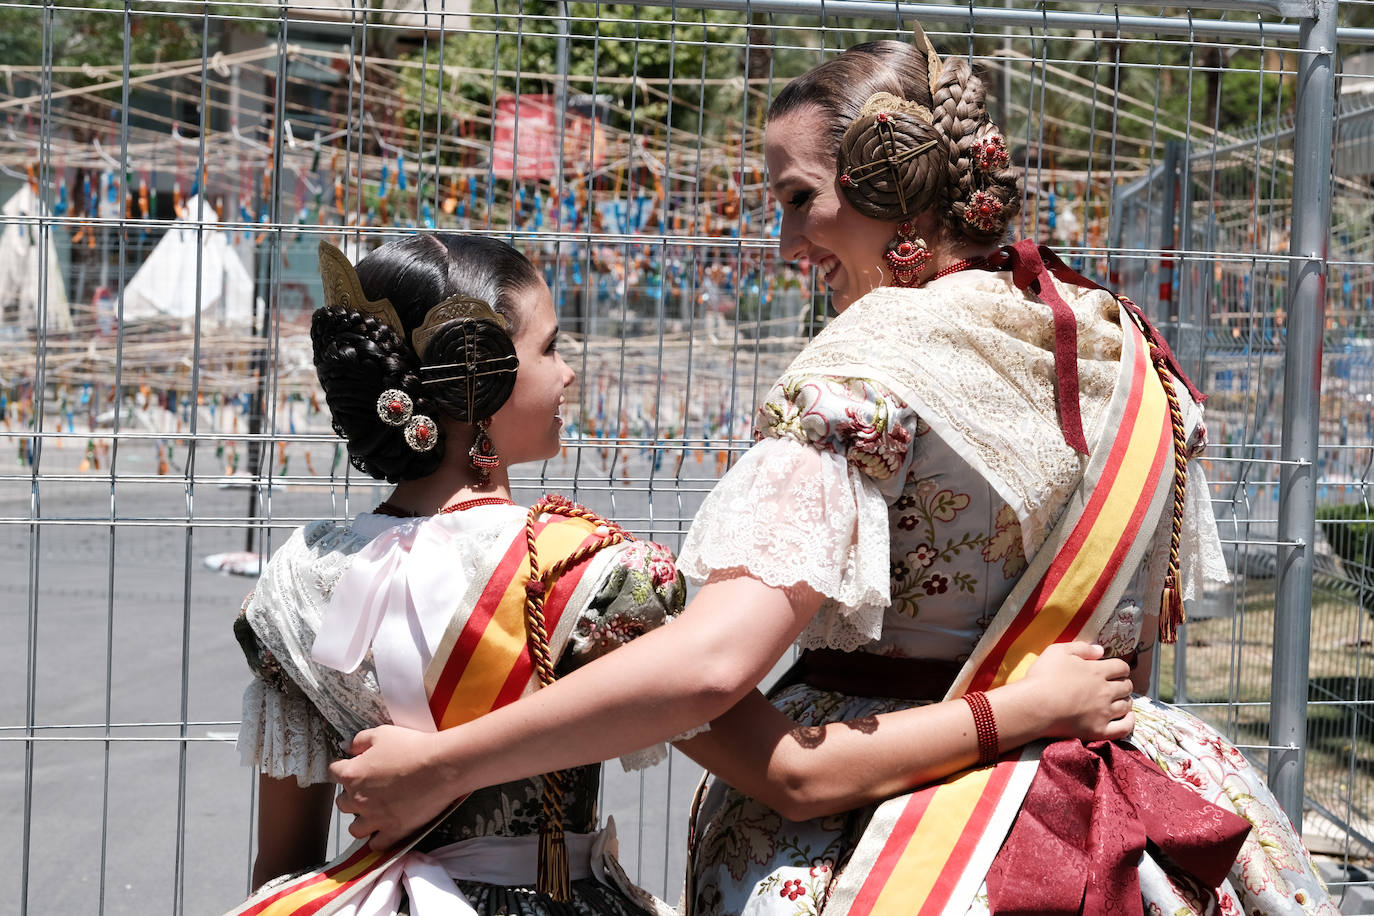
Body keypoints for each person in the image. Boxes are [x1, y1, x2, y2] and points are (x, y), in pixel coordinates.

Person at [327, 34, 1337, 916]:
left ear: (889, 183)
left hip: (898, 823)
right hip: (1140, 803)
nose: (782, 241)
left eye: (800, 199)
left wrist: (445, 764)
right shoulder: (1126, 347)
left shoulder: (870, 362)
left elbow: (717, 668)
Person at [229, 234, 690, 915]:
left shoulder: (301, 578)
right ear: (479, 377)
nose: (567, 372)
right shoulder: (588, 568)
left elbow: (282, 860)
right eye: (550, 348)